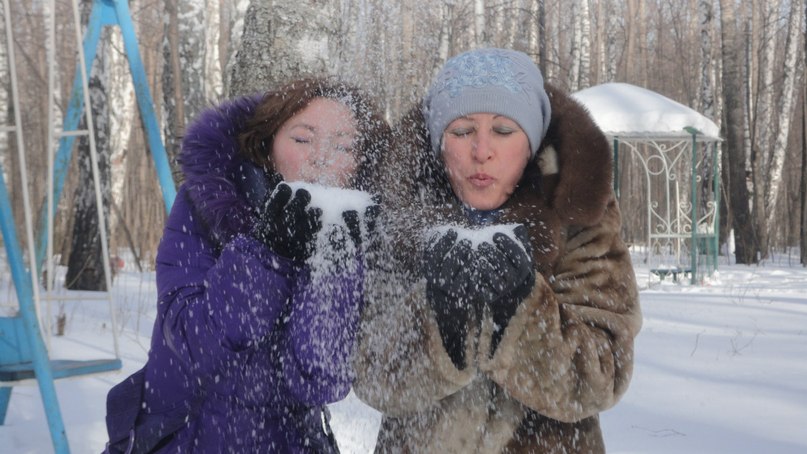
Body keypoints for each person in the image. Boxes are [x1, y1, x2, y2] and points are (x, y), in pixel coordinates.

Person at [353, 48, 642, 453]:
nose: (481, 150)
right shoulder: (401, 218)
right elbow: (371, 373)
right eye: (462, 131)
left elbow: (601, 377)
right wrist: (442, 320)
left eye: (504, 130)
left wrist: (520, 309)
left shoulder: (577, 216)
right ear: (439, 145)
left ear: (533, 143)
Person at [104, 78, 390, 453]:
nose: (322, 158)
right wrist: (268, 253)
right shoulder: (205, 205)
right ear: (268, 145)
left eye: (344, 147)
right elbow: (198, 350)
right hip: (183, 438)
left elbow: (318, 382)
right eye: (303, 139)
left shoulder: (359, 233)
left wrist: (332, 269)